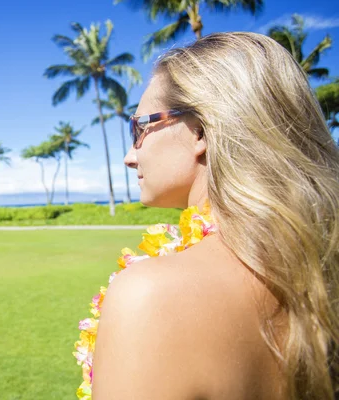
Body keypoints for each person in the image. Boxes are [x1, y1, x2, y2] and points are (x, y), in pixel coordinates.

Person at [82, 32, 339, 400]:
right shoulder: (319, 268)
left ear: (199, 130)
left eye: (139, 128)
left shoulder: (150, 295)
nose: (130, 156)